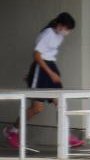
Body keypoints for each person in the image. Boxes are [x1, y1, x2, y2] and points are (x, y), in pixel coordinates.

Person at [7, 12, 80, 151]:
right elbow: (37, 55)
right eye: (67, 28)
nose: (67, 32)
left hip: (50, 67)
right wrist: (48, 73)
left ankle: (66, 136)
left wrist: (51, 72)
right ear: (60, 25)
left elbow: (47, 54)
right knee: (37, 108)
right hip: (43, 70)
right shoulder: (47, 34)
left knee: (61, 102)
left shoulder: (59, 36)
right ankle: (12, 130)